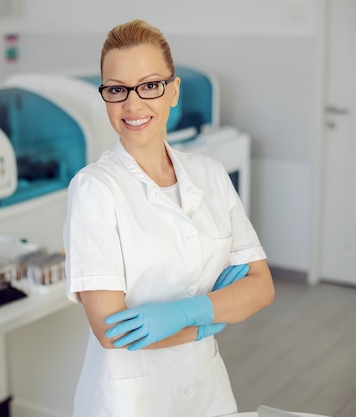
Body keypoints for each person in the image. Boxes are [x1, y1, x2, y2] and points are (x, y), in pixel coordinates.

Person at [62, 19, 275, 417]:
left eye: (149, 85)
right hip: (130, 402)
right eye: (116, 89)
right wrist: (209, 317)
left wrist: (186, 312)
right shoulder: (94, 189)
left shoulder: (210, 174)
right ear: (104, 96)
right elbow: (112, 331)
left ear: (173, 91)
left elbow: (261, 287)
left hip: (208, 392)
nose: (132, 104)